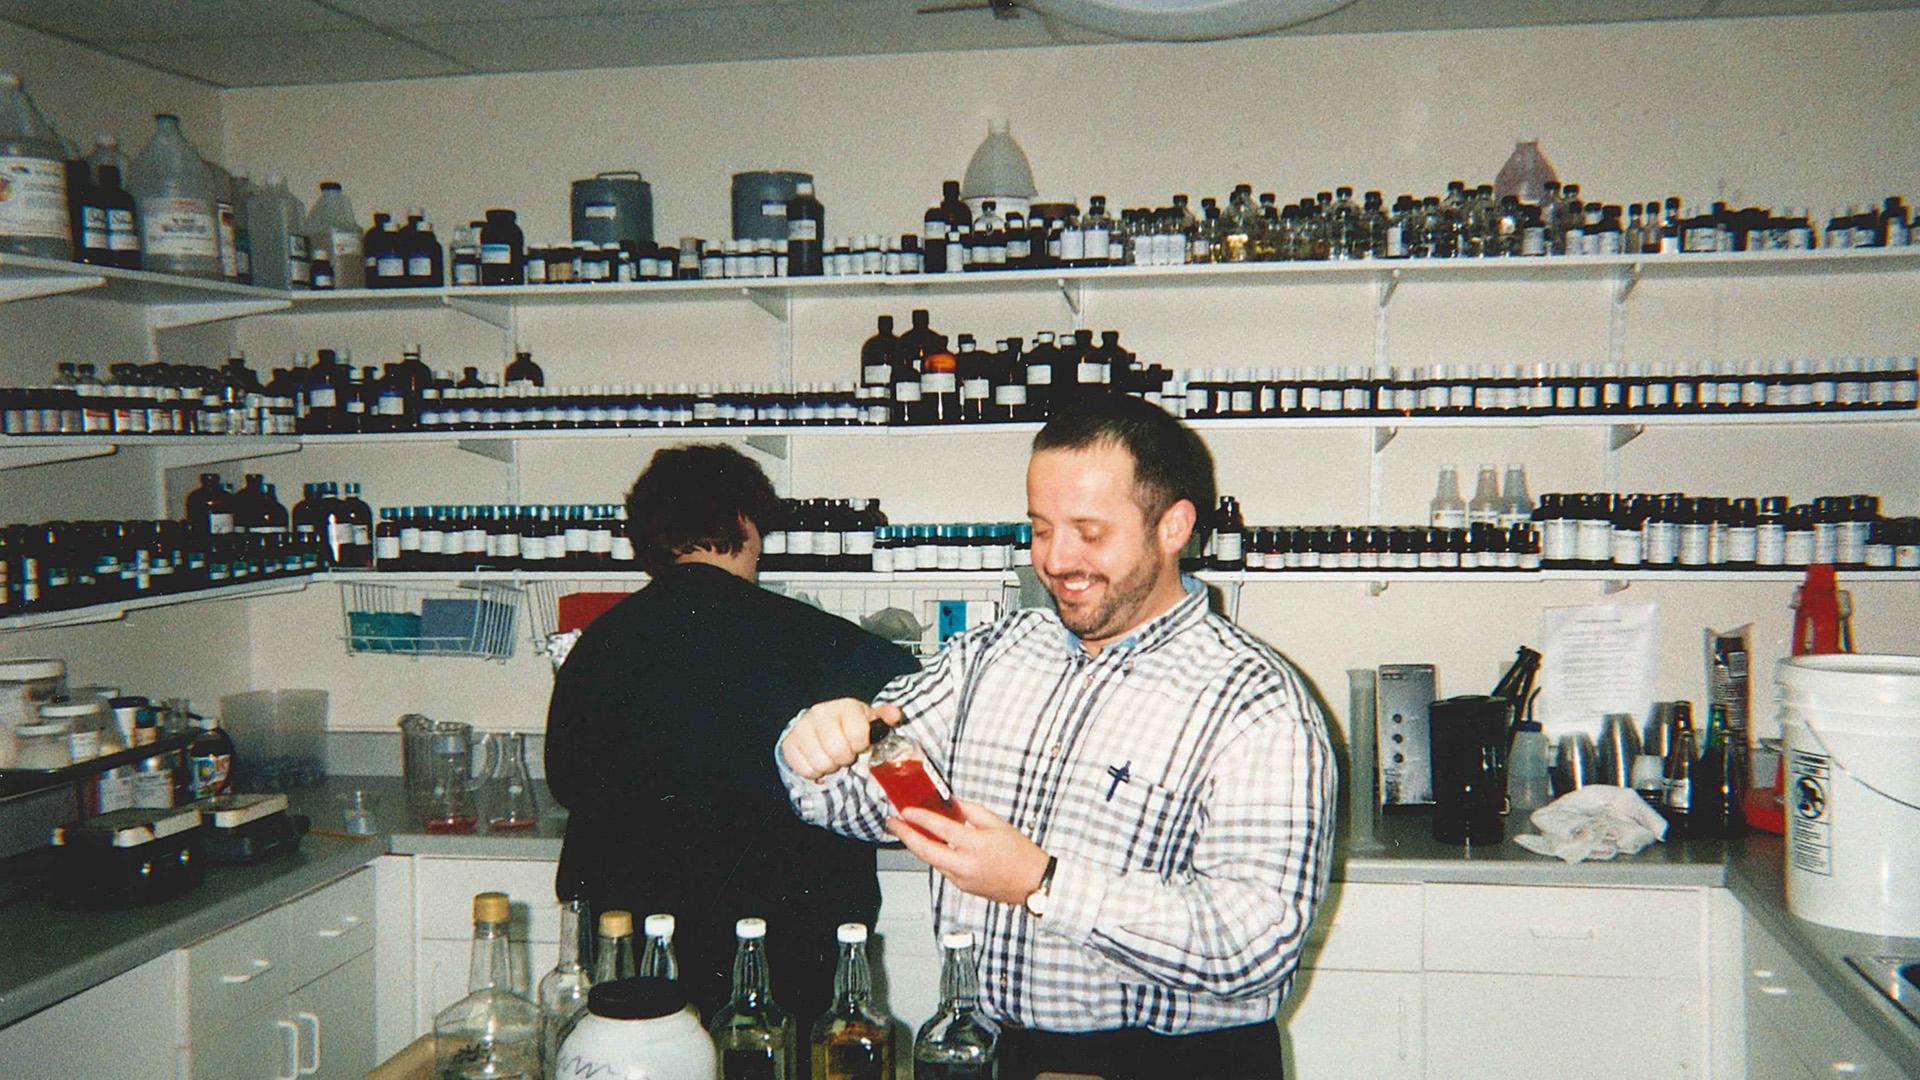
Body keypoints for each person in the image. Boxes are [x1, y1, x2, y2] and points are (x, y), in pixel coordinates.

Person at [778, 394, 1335, 1080]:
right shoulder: (990, 654)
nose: (1056, 559)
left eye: (1089, 531)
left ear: (1173, 527)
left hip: (1178, 1063)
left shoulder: (1256, 702)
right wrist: (816, 750)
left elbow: (1255, 944)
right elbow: (876, 801)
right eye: (1041, 529)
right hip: (1001, 1052)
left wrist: (1044, 884)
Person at [545, 443, 918, 1035]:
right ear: (746, 522)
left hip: (637, 955)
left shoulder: (597, 645)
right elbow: (916, 757)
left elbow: (566, 780)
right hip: (789, 953)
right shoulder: (822, 641)